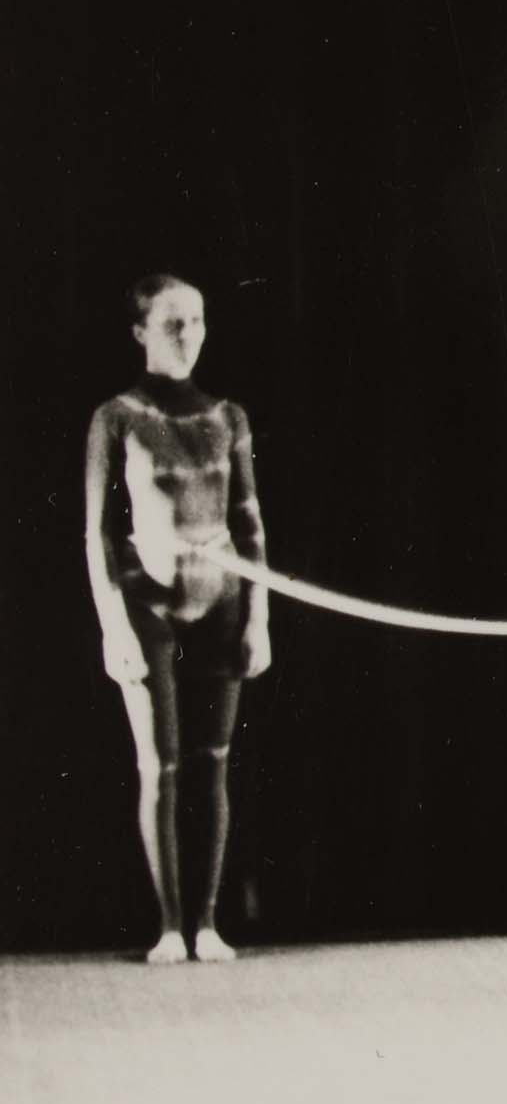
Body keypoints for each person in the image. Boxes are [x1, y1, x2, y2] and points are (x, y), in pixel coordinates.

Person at [83, 276, 272, 964]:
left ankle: (208, 923)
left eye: (196, 320)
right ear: (140, 332)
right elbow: (97, 533)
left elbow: (250, 525)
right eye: (171, 323)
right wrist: (114, 626)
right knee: (160, 764)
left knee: (212, 765)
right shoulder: (117, 417)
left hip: (222, 598)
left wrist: (258, 621)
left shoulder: (229, 416)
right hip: (148, 601)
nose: (187, 334)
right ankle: (168, 927)